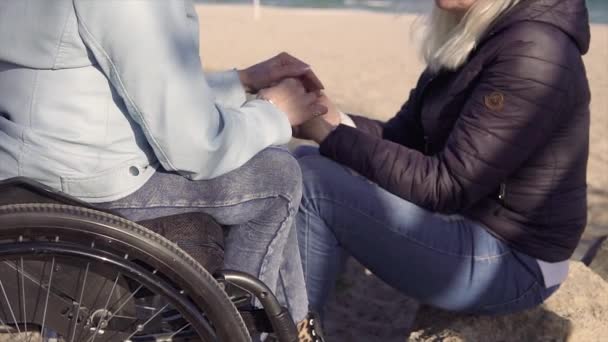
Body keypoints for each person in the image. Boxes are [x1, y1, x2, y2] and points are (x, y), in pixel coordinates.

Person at [0, 0, 326, 339]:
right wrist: (274, 111)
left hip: (26, 169)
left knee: (260, 149)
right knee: (277, 175)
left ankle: (297, 328)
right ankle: (249, 330)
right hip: (90, 184)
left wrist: (242, 82)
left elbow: (122, 87)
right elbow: (197, 148)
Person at [294, 0, 590, 317]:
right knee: (307, 160)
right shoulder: (478, 32)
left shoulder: (535, 51)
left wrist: (326, 133)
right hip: (469, 222)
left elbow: (446, 186)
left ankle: (292, 329)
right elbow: (402, 138)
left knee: (314, 185)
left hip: (514, 260)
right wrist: (330, 119)